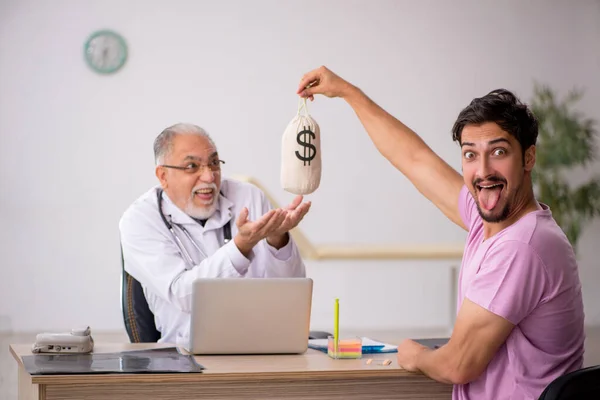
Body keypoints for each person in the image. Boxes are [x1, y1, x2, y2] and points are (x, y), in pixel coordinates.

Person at [297, 66, 585, 400]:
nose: (483, 171)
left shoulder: (522, 245)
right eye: (470, 155)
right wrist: (348, 92)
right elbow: (414, 159)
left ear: (528, 157)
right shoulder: (490, 220)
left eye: (499, 152)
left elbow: (457, 365)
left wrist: (414, 354)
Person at [119, 123, 310, 345]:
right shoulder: (139, 220)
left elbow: (291, 292)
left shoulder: (248, 197)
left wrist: (278, 241)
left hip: (263, 347)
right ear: (163, 176)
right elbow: (184, 295)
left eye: (214, 163)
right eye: (192, 166)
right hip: (184, 357)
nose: (209, 176)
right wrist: (240, 247)